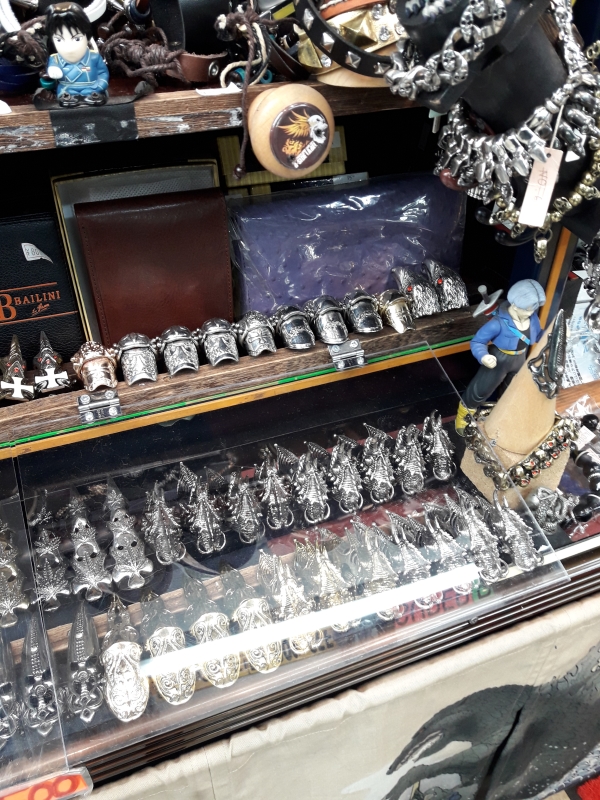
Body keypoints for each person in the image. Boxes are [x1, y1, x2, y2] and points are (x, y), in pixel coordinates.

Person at [455, 279, 546, 435]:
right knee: (480, 390)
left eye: (533, 308)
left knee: (512, 391)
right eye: (528, 309)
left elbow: (538, 335)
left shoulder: (532, 319)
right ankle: (463, 418)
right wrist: (484, 356)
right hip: (499, 359)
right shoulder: (497, 323)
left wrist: (553, 334)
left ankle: (503, 417)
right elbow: (477, 341)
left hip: (520, 358)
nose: (531, 312)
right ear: (515, 306)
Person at [41, 2, 109, 107]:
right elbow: (49, 76)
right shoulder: (55, 59)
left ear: (87, 36)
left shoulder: (94, 57)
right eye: (59, 40)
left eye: (77, 39)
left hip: (92, 89)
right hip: (67, 90)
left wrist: (100, 86)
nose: (69, 47)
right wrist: (52, 71)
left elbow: (103, 73)